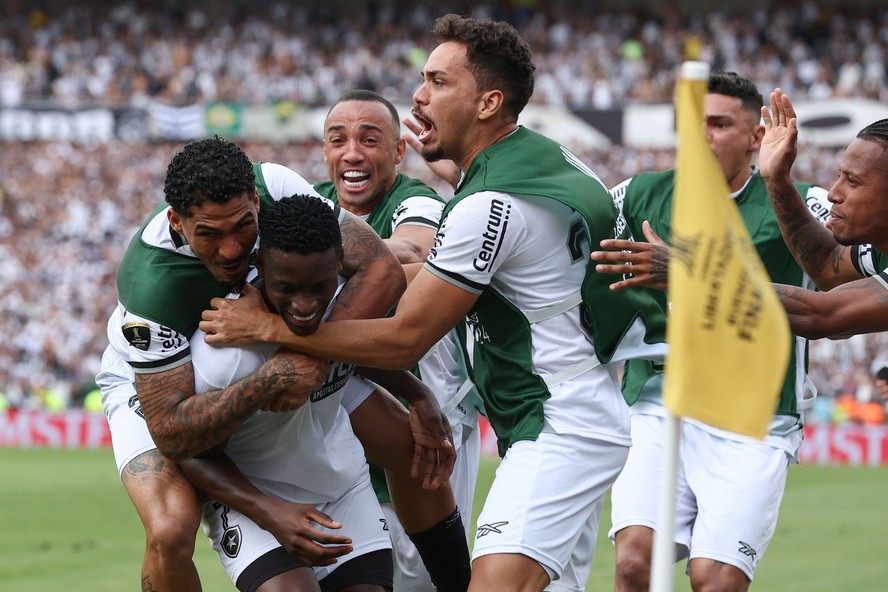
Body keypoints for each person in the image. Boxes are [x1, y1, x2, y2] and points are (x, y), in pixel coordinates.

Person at [200, 14, 666, 592]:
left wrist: (269, 327)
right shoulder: (554, 161)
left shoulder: (481, 204)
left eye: (439, 82)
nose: (420, 96)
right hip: (574, 407)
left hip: (558, 424)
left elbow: (405, 338)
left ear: (489, 101)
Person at [96, 136, 468, 591]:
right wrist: (285, 369)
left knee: (410, 446)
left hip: (270, 339)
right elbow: (175, 436)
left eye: (243, 228)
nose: (233, 250)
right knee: (172, 528)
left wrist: (403, 388)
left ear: (256, 201)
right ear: (176, 221)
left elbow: (381, 270)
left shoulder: (275, 186)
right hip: (159, 378)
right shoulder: (152, 288)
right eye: (210, 235)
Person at [589, 72, 830, 592]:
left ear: (755, 137)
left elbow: (862, 269)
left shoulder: (803, 203)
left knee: (714, 581)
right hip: (660, 400)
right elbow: (567, 243)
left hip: (755, 415)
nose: (702, 137)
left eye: (719, 124)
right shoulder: (638, 195)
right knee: (634, 564)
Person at [183, 194, 426, 591]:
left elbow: (361, 355)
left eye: (320, 286)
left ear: (339, 265)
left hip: (341, 488)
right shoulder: (223, 355)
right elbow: (190, 453)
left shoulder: (347, 308)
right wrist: (269, 513)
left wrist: (416, 393)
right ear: (259, 265)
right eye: (287, 287)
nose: (305, 305)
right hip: (254, 499)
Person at [315, 88, 482, 592]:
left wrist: (309, 262)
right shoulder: (312, 206)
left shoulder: (414, 200)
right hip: (341, 422)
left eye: (370, 139)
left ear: (396, 152)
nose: (352, 153)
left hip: (431, 417)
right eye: (338, 139)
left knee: (418, 579)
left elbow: (414, 248)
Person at [756, 89, 888, 340]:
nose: (833, 193)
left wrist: (694, 277)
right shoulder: (881, 250)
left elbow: (821, 316)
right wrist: (776, 178)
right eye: (840, 176)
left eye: (853, 181)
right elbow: (828, 265)